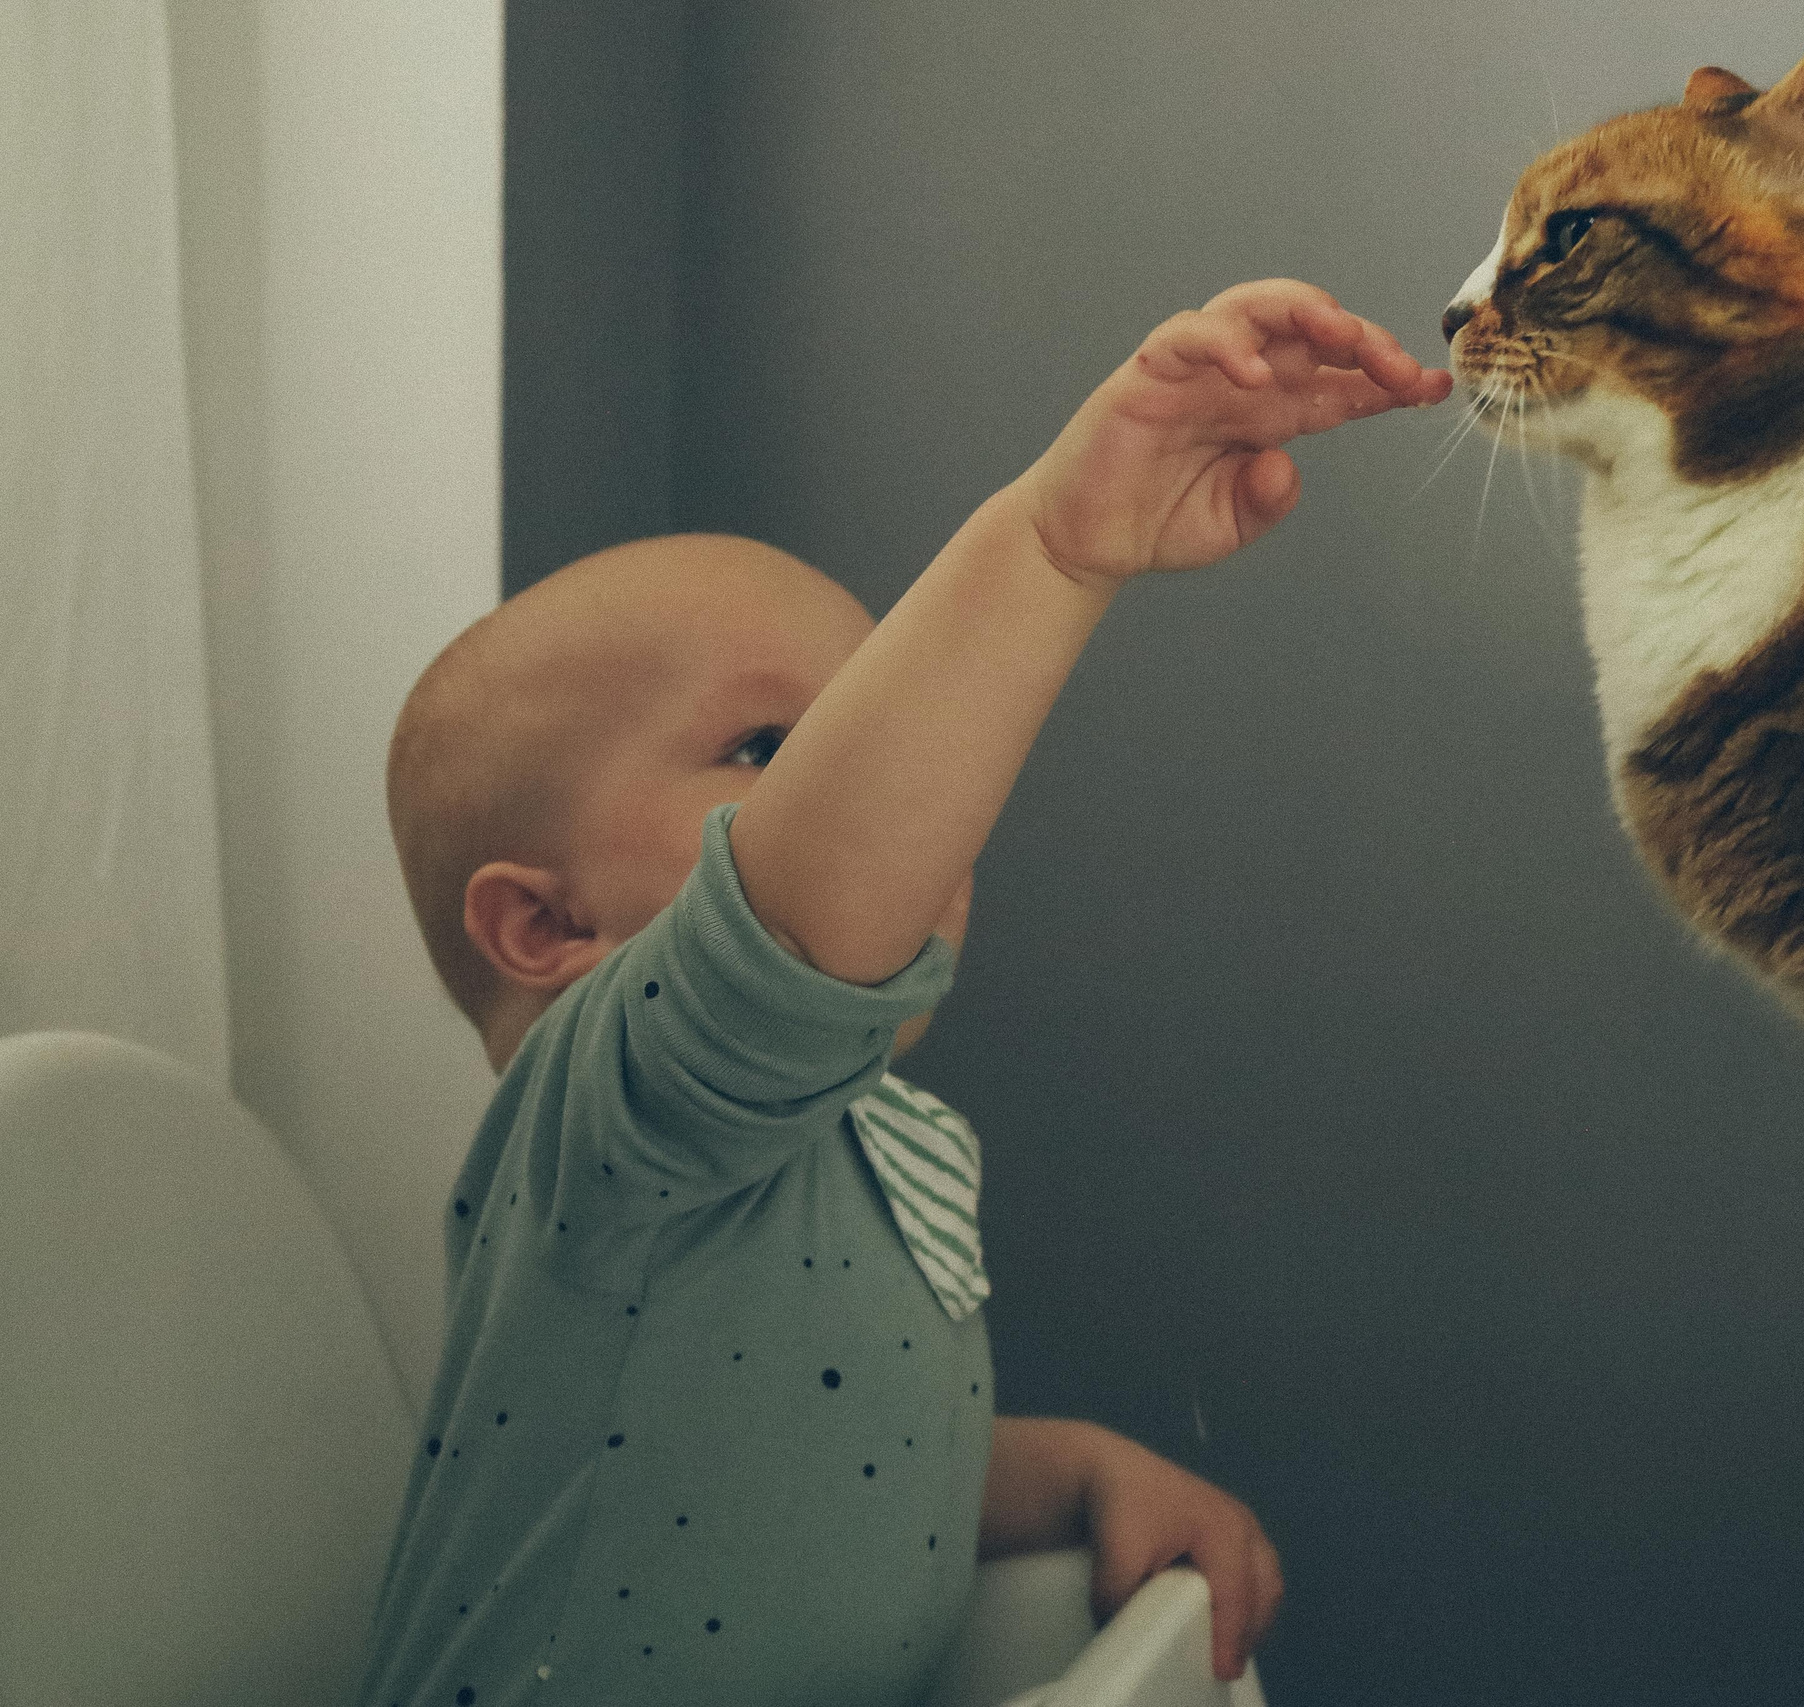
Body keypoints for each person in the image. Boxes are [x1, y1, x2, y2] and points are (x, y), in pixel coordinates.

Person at [358, 279, 1451, 1707]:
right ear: (547, 927)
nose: (880, 781)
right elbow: (791, 928)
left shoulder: (863, 1145)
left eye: (866, 724)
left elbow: (812, 1463)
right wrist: (1052, 550)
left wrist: (1076, 1471)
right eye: (775, 749)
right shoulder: (611, 1131)